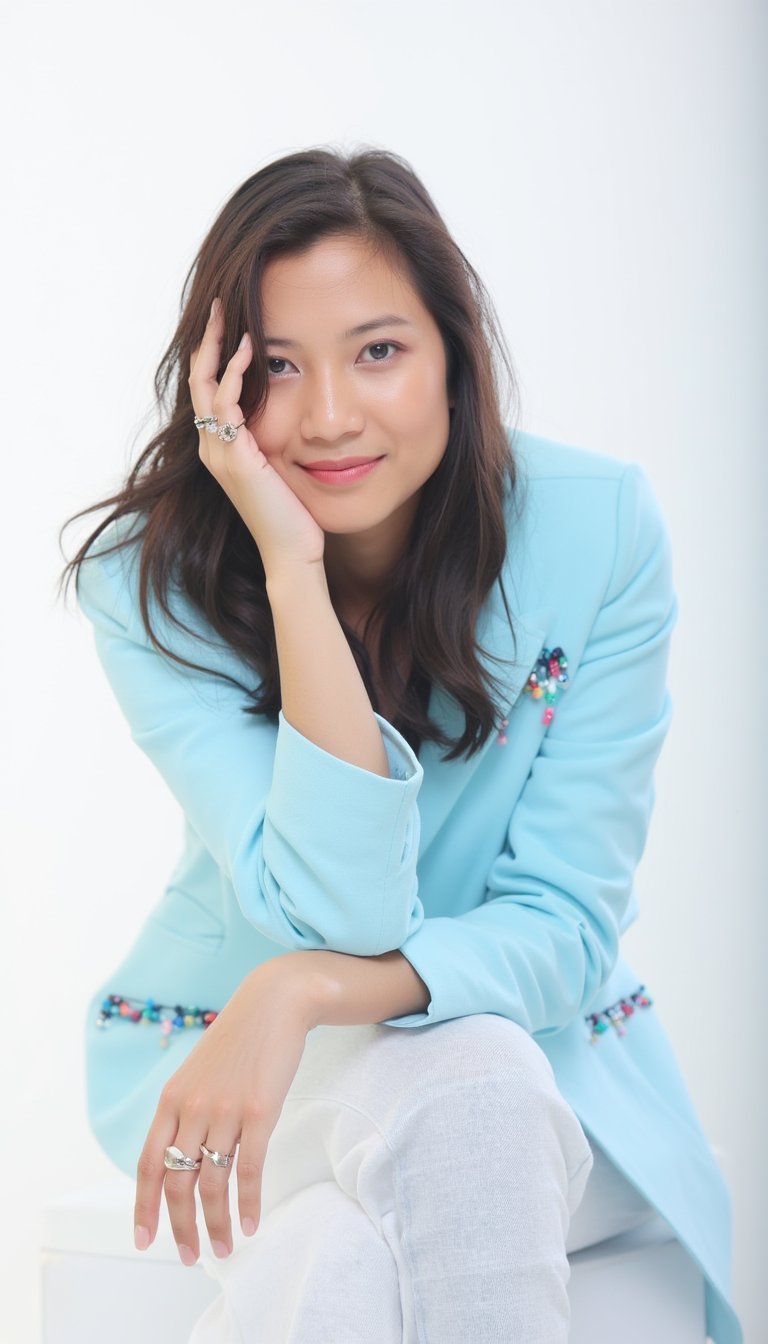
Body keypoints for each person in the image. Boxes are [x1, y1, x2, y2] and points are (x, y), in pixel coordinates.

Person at [61, 147, 741, 1343]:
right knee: (453, 1105)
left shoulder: (600, 529)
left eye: (379, 350)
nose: (328, 417)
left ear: (454, 355)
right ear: (219, 385)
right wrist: (292, 568)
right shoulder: (152, 581)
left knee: (368, 1214)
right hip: (241, 1071)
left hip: (551, 1059)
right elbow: (340, 903)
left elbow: (567, 926)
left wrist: (306, 990)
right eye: (276, 367)